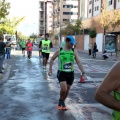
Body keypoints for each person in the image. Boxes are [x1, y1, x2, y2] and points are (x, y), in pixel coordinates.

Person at [48, 36, 86, 110]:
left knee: (67, 90)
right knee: (64, 89)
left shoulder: (74, 51)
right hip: (62, 72)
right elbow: (52, 59)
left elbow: (78, 62)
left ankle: (62, 102)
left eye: (73, 44)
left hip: (70, 73)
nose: (73, 45)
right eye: (71, 43)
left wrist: (83, 72)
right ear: (67, 42)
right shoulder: (60, 51)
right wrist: (50, 69)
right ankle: (60, 100)